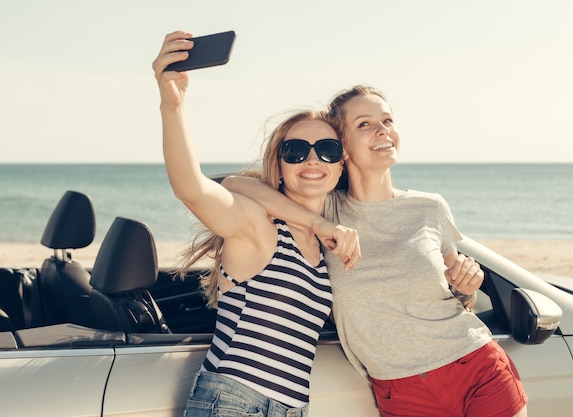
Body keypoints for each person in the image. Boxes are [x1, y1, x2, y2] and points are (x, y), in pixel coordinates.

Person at [223, 85, 529, 417]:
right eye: (364, 124)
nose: (382, 129)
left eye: (387, 120)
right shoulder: (324, 209)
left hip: (476, 365)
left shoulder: (429, 206)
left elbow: (455, 286)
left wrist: (467, 283)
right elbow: (235, 185)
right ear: (342, 150)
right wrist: (318, 222)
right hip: (399, 390)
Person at [152, 30, 360, 417]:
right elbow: (192, 189)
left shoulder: (324, 241)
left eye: (327, 150)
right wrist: (172, 108)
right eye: (295, 151)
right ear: (278, 166)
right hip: (237, 402)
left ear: (340, 166)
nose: (312, 160)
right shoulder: (260, 227)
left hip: (290, 408)